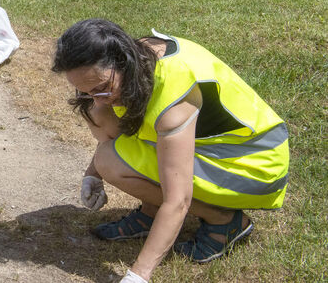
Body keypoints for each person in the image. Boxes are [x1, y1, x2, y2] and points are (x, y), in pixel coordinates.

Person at [52, 19, 289, 283]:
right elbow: (114, 114)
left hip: (254, 165)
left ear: (122, 62)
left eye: (101, 88)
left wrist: (137, 276)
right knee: (99, 115)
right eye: (86, 90)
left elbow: (178, 201)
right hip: (222, 149)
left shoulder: (174, 97)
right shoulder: (136, 57)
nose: (97, 97)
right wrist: (92, 174)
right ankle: (150, 213)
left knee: (111, 160)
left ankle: (224, 221)